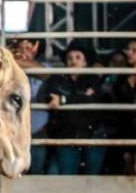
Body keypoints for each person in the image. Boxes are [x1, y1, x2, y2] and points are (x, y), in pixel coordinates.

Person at [43, 40, 102, 175]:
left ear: (85, 62)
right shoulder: (57, 79)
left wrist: (63, 100)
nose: (73, 61)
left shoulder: (93, 79)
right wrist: (82, 99)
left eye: (78, 57)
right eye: (70, 58)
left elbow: (92, 101)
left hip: (91, 135)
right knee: (68, 178)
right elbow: (51, 98)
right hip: (67, 135)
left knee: (92, 179)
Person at [8, 37, 51, 174]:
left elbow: (44, 73)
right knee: (12, 172)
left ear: (36, 48)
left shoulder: (44, 67)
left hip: (37, 131)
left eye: (27, 48)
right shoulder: (9, 69)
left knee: (36, 172)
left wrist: (13, 60)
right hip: (13, 131)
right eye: (19, 49)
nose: (23, 52)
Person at [112, 39, 136, 175]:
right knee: (127, 167)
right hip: (126, 128)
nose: (129, 53)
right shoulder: (122, 76)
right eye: (129, 49)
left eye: (134, 50)